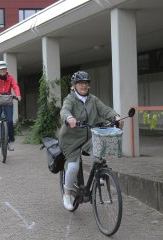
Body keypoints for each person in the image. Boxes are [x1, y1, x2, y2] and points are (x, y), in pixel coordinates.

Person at [58, 71, 123, 211]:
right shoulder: (70, 99)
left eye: (86, 83)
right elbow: (64, 110)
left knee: (98, 147)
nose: (84, 85)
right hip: (71, 139)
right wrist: (69, 118)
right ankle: (67, 194)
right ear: (74, 85)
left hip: (88, 137)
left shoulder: (93, 99)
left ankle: (98, 174)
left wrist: (116, 117)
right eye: (81, 83)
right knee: (74, 166)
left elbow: (104, 110)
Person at [0, 60, 21, 151]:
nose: (3, 71)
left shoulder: (10, 78)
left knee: (9, 121)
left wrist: (18, 94)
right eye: (1, 69)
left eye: (4, 69)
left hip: (8, 100)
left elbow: (15, 86)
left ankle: (11, 141)